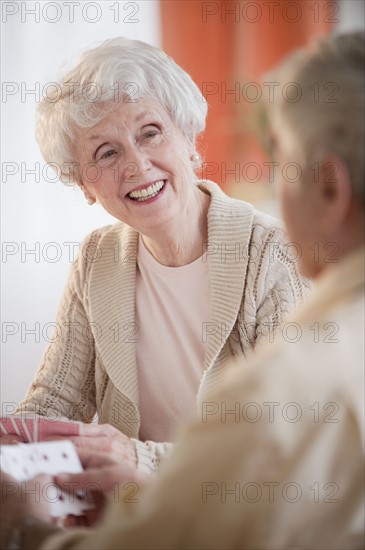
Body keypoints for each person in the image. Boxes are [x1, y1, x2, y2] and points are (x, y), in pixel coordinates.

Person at [1, 30, 363, 550]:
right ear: (83, 183)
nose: (136, 165)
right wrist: (16, 448)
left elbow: (266, 452)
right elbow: (57, 401)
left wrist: (134, 458)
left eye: (151, 132)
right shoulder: (97, 258)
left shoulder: (273, 254)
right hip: (126, 515)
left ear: (188, 136)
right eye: (106, 152)